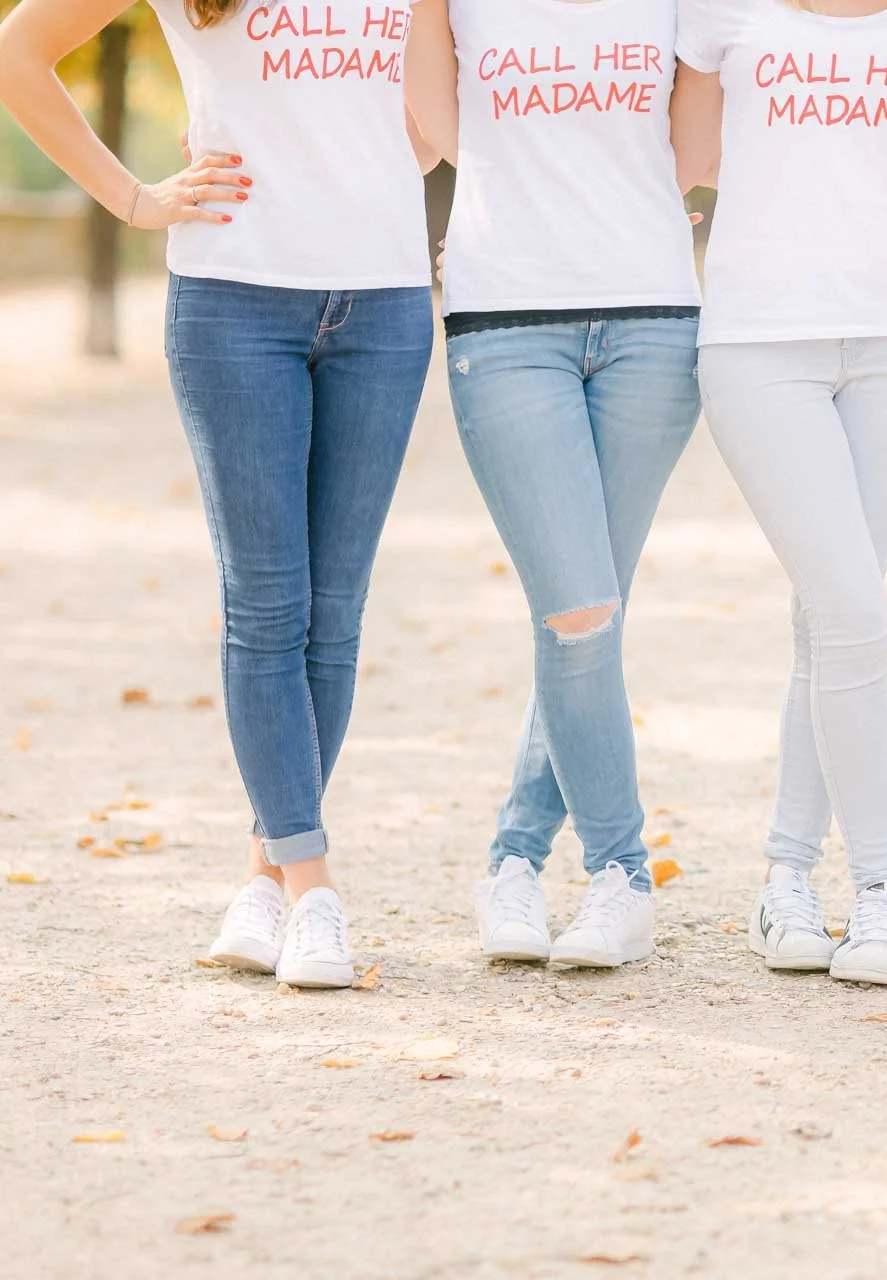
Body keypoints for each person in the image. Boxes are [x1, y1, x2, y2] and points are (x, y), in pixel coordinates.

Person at [0, 0, 435, 989]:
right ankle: (316, 887)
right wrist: (133, 196)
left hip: (387, 304)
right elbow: (16, 50)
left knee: (335, 613)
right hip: (234, 300)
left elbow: (437, 110)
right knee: (268, 606)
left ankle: (264, 875)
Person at [405, 0, 702, 969]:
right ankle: (622, 868)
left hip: (654, 324)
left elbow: (694, 142)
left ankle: (515, 860)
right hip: (508, 322)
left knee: (589, 615)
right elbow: (440, 129)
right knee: (577, 612)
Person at [671, 0, 887, 987]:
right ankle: (882, 886)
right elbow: (681, 157)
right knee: (851, 611)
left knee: (832, 618)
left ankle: (786, 875)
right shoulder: (720, 9)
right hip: (758, 341)